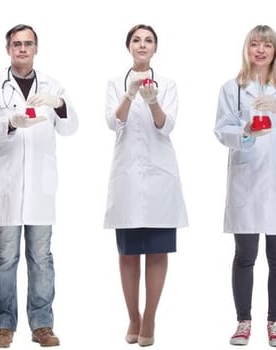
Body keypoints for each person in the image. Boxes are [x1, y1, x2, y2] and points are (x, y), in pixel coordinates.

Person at [0, 24, 78, 348]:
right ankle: (3, 327)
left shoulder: (51, 85)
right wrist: (9, 123)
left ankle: (42, 325)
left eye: (28, 43)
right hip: (7, 185)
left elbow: (71, 127)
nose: (22, 49)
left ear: (36, 48)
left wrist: (58, 103)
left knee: (41, 258)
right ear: (8, 49)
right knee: (4, 257)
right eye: (17, 44)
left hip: (41, 189)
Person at [214, 24, 276, 348]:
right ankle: (243, 322)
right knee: (244, 255)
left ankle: (275, 323)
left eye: (266, 45)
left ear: (275, 51)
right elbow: (221, 129)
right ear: (247, 49)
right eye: (255, 44)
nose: (260, 50)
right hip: (246, 179)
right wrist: (244, 133)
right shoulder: (233, 88)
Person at [104, 24, 188, 347]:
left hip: (159, 178)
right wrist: (129, 94)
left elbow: (166, 126)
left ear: (155, 48)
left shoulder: (167, 84)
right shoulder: (115, 83)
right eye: (137, 40)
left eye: (148, 40)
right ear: (129, 47)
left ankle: (150, 316)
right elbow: (114, 123)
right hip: (127, 177)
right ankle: (133, 316)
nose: (142, 45)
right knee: (128, 253)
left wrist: (153, 101)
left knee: (156, 250)